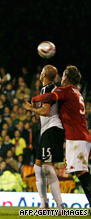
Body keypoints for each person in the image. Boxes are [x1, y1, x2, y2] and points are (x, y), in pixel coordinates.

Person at [31, 65, 91, 209]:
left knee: (82, 173)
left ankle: (58, 205)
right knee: (80, 172)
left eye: (63, 76)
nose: (61, 79)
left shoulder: (68, 91)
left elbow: (51, 97)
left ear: (67, 78)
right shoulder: (77, 92)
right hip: (80, 137)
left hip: (76, 137)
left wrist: (33, 100)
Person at [23, 65, 64, 212]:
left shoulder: (48, 89)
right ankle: (44, 204)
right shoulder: (47, 89)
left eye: (41, 72)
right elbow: (41, 113)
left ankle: (60, 205)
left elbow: (46, 111)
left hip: (52, 129)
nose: (39, 74)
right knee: (38, 167)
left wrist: (31, 109)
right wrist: (35, 111)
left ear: (44, 75)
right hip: (47, 130)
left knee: (46, 168)